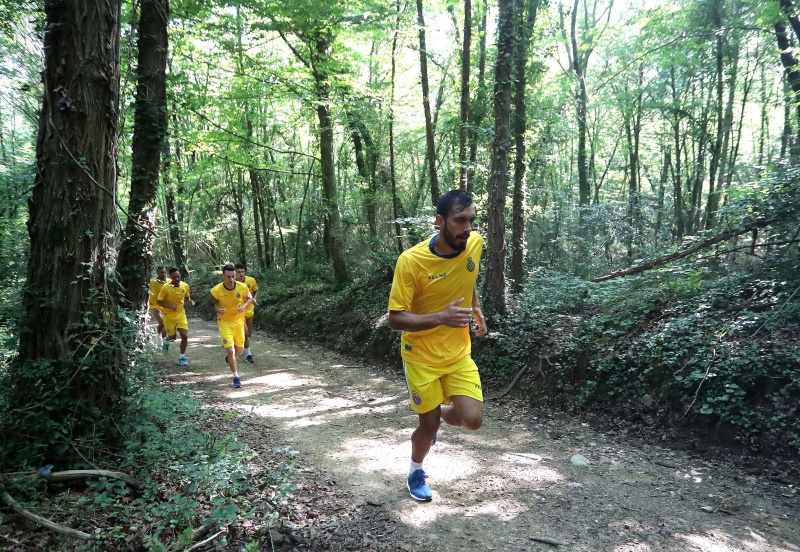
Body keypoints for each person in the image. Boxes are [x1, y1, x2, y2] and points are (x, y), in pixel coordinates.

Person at [387, 189, 487, 502]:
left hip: (458, 353)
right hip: (421, 357)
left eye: (471, 220)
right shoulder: (412, 261)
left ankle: (441, 413)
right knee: (427, 427)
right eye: (460, 220)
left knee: (473, 420)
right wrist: (441, 318)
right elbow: (395, 319)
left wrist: (476, 308)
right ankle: (416, 470)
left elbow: (468, 277)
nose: (467, 228)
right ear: (440, 221)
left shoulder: (474, 243)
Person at [210, 264, 254, 388]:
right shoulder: (217, 290)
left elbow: (249, 298)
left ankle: (230, 357)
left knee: (239, 351)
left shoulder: (242, 287)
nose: (231, 279)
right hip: (224, 323)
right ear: (223, 276)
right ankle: (236, 377)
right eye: (228, 277)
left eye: (233, 276)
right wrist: (217, 311)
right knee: (231, 350)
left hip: (239, 322)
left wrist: (244, 306)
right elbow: (208, 305)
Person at [157, 267, 196, 366]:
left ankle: (182, 357)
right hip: (168, 316)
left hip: (181, 314)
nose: (177, 279)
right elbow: (159, 301)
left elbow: (187, 296)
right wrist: (170, 307)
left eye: (178, 277)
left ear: (180, 275)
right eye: (174, 277)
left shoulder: (185, 286)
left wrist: (190, 301)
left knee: (184, 336)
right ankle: (166, 341)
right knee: (172, 338)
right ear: (170, 277)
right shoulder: (165, 288)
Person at [234, 262, 259, 364]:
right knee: (245, 332)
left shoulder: (251, 280)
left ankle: (237, 340)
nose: (241, 274)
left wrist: (254, 298)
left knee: (249, 334)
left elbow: (255, 290)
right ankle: (248, 354)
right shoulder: (232, 284)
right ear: (234, 273)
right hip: (238, 312)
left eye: (242, 272)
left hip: (249, 310)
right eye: (238, 272)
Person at [148, 266, 168, 352]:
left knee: (165, 324)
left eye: (164, 272)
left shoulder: (169, 282)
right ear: (157, 273)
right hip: (154, 306)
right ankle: (160, 340)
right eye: (161, 272)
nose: (163, 274)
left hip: (165, 306)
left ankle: (160, 338)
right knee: (162, 322)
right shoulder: (152, 282)